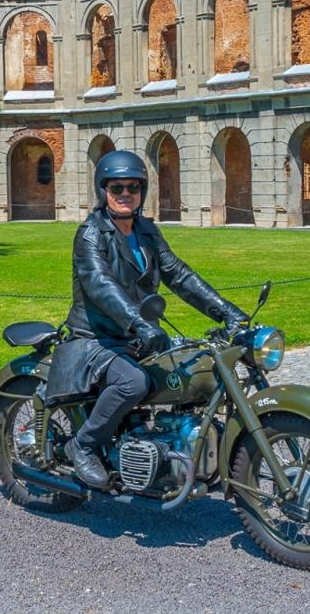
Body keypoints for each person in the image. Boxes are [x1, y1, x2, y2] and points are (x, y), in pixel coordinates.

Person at [44, 150, 248, 489]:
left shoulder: (146, 231)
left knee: (195, 370)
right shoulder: (91, 234)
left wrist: (227, 312)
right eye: (117, 187)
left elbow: (179, 275)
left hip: (135, 336)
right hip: (96, 338)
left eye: (133, 187)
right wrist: (139, 323)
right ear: (103, 190)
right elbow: (101, 285)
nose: (125, 194)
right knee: (133, 383)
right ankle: (83, 445)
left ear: (142, 191)